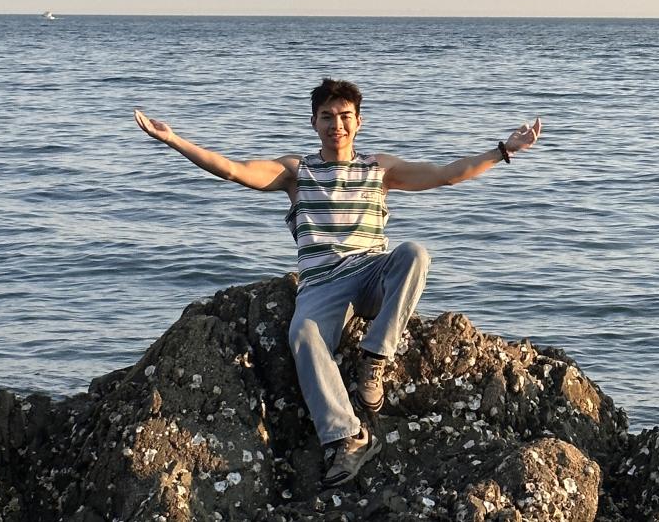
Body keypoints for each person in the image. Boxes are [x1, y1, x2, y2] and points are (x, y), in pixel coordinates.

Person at [134, 78, 541, 487]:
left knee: (415, 254)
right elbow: (233, 170)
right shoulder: (296, 172)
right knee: (303, 335)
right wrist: (174, 140)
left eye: (345, 116)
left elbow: (445, 175)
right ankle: (348, 437)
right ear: (313, 122)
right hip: (322, 285)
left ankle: (374, 359)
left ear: (359, 121)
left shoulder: (379, 168)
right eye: (327, 116)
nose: (337, 125)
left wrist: (503, 150)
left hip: (372, 272)